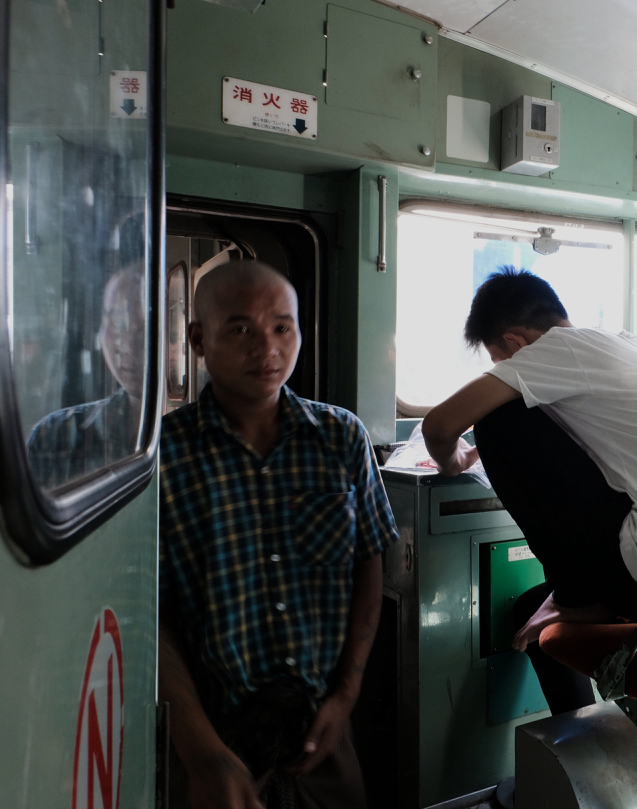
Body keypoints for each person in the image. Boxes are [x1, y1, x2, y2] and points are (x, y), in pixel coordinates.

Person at [422, 267, 637, 713]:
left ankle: (575, 598)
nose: (505, 371)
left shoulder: (556, 349)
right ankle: (580, 727)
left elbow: (439, 425)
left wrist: (453, 462)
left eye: (499, 361)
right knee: (529, 611)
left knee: (494, 421)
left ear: (515, 342)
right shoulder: (625, 344)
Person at [159, 260, 398, 809]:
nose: (266, 348)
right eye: (241, 328)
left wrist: (345, 695)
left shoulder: (340, 436)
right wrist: (199, 748)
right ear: (199, 339)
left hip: (321, 725)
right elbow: (151, 613)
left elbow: (368, 560)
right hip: (208, 737)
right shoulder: (165, 456)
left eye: (281, 327)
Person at [26, 268, 146, 487]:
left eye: (147, 328)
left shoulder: (187, 439)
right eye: (119, 322)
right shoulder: (52, 437)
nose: (129, 344)